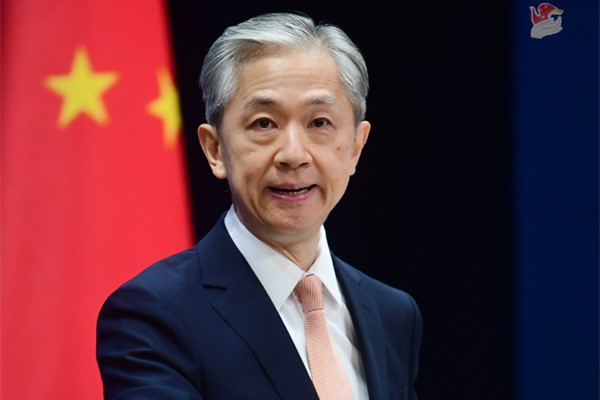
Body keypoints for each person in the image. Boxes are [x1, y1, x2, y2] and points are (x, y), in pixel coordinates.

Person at [96, 11, 422, 400]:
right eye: (264, 123)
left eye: (319, 123)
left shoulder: (393, 314)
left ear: (356, 146)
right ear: (215, 149)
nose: (294, 154)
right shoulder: (153, 315)